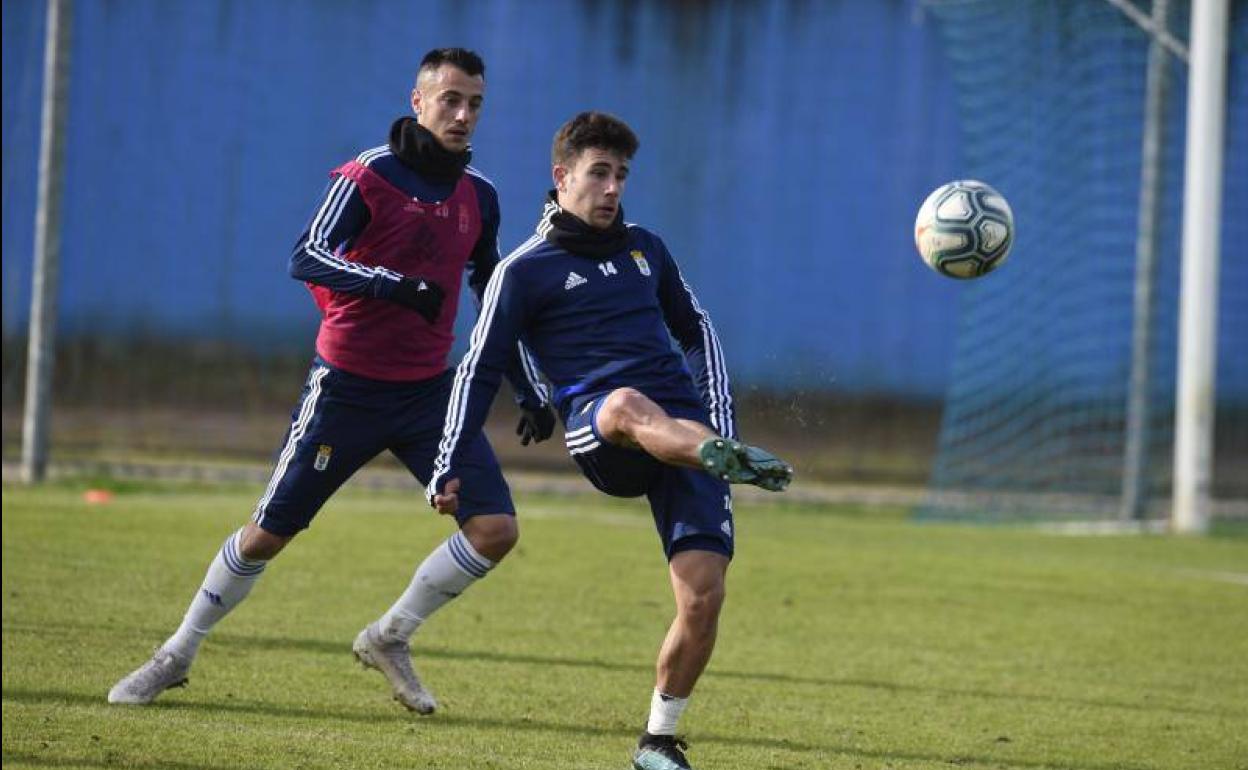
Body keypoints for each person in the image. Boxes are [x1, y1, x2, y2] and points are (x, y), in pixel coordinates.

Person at [108, 48, 555, 713]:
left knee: (495, 530)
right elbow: (306, 254)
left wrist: (527, 379)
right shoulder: (369, 174)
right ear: (419, 101)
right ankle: (176, 653)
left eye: (476, 103)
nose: (464, 115)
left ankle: (389, 636)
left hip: (431, 394)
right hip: (345, 387)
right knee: (269, 532)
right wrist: (392, 285)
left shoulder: (478, 196)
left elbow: (491, 291)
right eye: (452, 99)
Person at [428, 111, 793, 770]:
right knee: (626, 404)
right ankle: (712, 453)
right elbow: (479, 367)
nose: (612, 188)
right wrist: (449, 459)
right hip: (604, 432)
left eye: (621, 175)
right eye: (599, 173)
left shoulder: (646, 249)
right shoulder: (524, 270)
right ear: (562, 176)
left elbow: (697, 331)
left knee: (703, 596)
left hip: (682, 427)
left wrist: (718, 425)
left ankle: (657, 740)